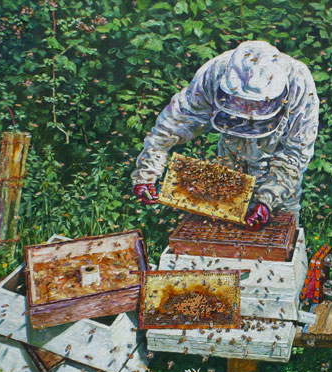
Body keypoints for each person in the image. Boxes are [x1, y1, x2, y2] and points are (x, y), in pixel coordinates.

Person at [131, 40, 319, 230]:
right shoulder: (215, 71)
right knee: (223, 229)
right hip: (232, 160)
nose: (248, 112)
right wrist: (146, 174)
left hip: (278, 170)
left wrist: (268, 200)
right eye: (241, 103)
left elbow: (295, 153)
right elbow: (172, 124)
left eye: (255, 106)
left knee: (280, 233)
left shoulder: (299, 83)